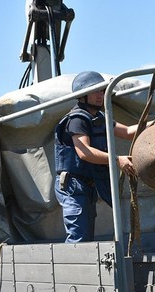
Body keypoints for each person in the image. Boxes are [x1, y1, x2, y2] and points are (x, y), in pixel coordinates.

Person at [54, 71, 138, 243]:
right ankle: (73, 269)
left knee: (85, 237)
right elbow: (84, 152)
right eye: (96, 91)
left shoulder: (98, 118)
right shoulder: (78, 120)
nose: (101, 95)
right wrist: (116, 159)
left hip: (87, 185)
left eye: (102, 90)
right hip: (74, 186)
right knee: (79, 239)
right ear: (83, 96)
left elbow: (128, 132)